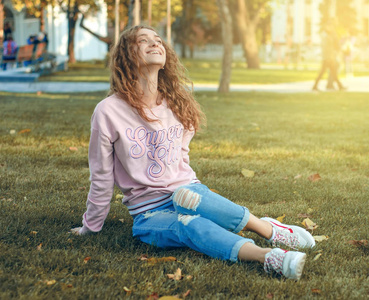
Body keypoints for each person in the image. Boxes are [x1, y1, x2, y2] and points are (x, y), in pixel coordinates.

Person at [70, 25, 316, 280]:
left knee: (187, 195)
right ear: (126, 56)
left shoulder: (177, 102)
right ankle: (268, 257)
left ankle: (269, 229)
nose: (155, 44)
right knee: (190, 225)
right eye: (143, 41)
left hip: (190, 192)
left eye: (158, 40)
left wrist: (185, 188)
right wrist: (91, 226)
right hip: (148, 212)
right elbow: (101, 177)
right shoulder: (108, 111)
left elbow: (180, 158)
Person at [312, 25, 346, 92]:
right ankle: (315, 86)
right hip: (327, 58)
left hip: (329, 58)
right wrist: (329, 57)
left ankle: (340, 86)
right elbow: (326, 49)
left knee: (333, 73)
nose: (332, 28)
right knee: (323, 73)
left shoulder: (329, 36)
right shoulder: (326, 37)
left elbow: (332, 47)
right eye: (330, 27)